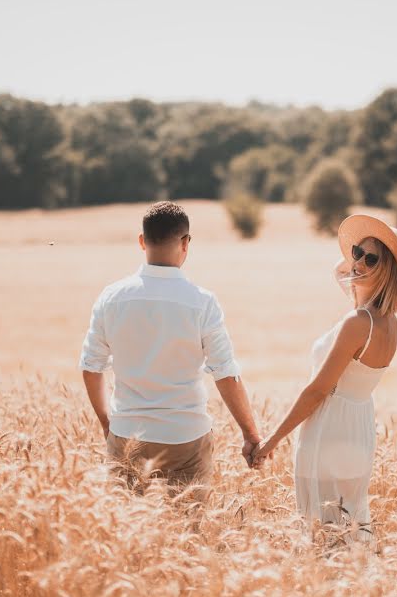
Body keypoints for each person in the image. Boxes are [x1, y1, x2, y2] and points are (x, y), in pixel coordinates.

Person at [79, 201, 261, 502]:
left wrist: (108, 425)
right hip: (185, 439)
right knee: (185, 534)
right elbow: (226, 374)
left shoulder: (111, 298)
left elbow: (90, 367)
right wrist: (251, 434)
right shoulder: (202, 302)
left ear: (141, 241)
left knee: (127, 535)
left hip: (127, 434)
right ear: (185, 243)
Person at [253, 214, 397, 543]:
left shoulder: (357, 322)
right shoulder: (389, 322)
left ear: (387, 271)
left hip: (329, 432)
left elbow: (316, 392)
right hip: (358, 430)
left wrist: (271, 441)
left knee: (323, 531)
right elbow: (340, 273)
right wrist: (360, 264)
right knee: (349, 522)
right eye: (356, 252)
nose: (357, 262)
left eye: (372, 259)